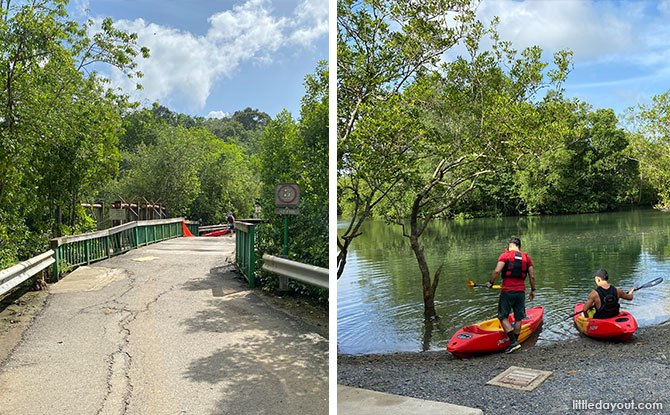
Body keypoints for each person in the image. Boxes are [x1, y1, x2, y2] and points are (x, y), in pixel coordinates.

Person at [488, 237, 537, 354]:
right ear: (519, 246)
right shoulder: (527, 258)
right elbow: (532, 276)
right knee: (519, 317)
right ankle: (516, 341)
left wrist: (491, 282)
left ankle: (513, 342)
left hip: (507, 291)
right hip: (521, 292)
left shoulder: (505, 256)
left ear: (509, 246)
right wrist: (533, 290)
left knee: (502, 316)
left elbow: (496, 271)